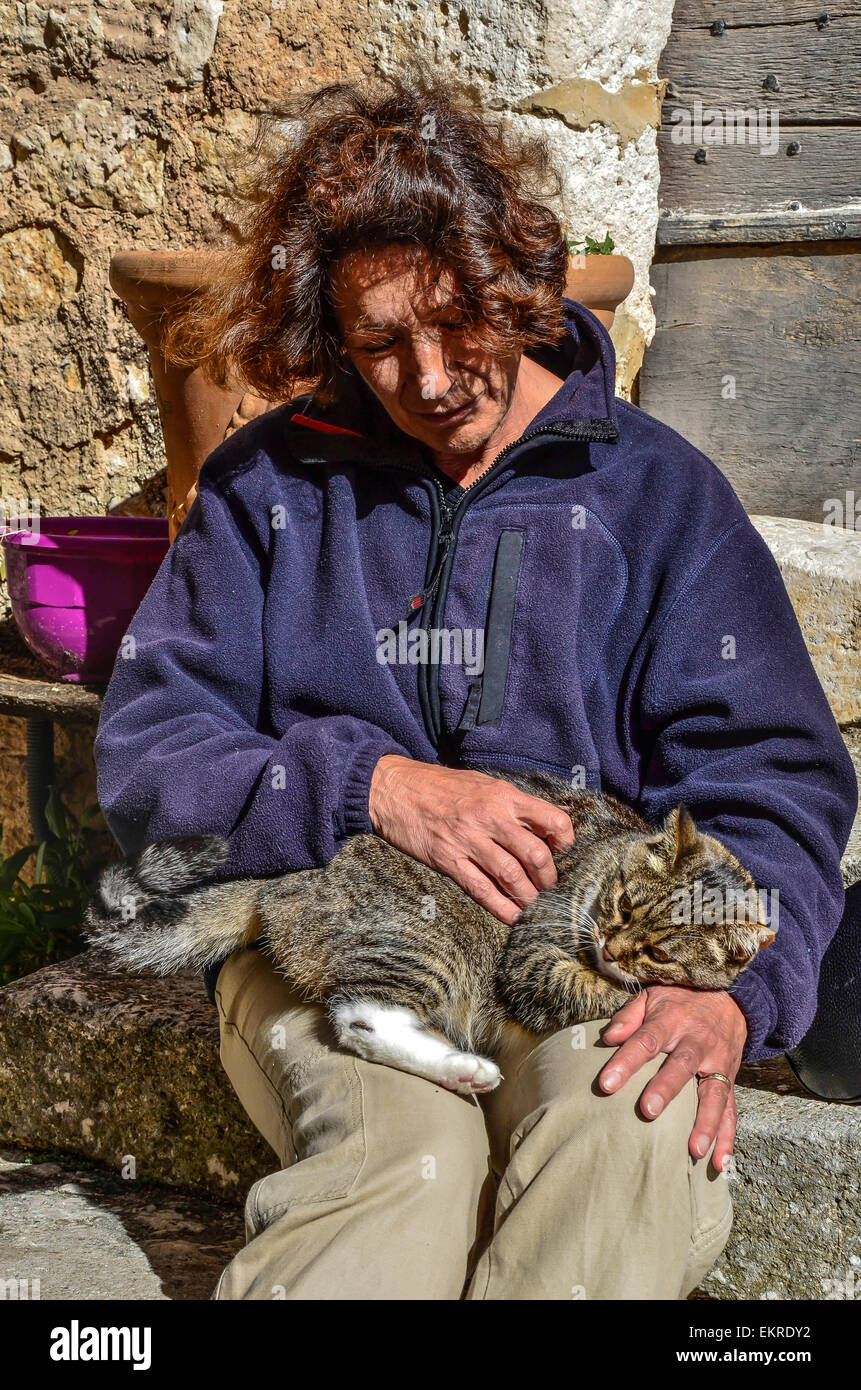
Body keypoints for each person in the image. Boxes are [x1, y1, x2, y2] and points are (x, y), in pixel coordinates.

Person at [93, 77, 857, 1300]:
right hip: (337, 945)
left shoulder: (659, 499)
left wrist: (745, 994)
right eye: (382, 342)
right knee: (408, 1162)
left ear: (518, 282)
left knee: (633, 1132)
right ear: (329, 334)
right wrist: (369, 786)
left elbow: (775, 786)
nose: (433, 375)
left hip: (584, 953)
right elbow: (150, 756)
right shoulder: (267, 490)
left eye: (459, 321)